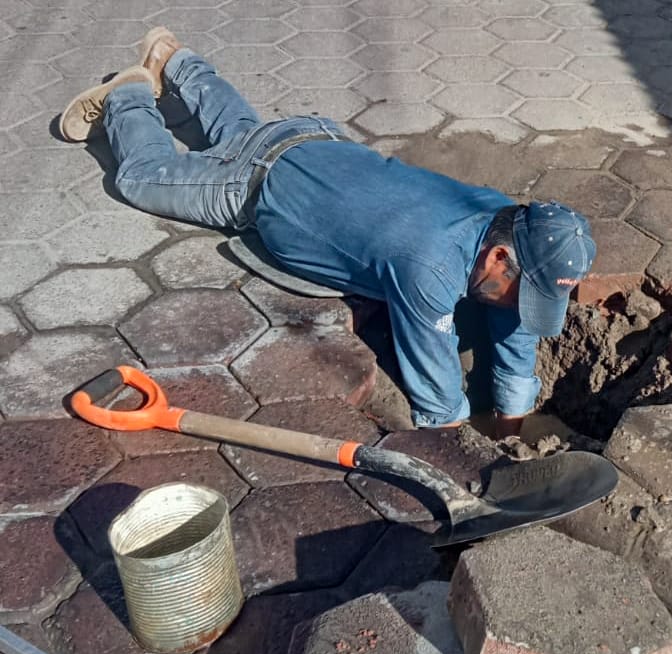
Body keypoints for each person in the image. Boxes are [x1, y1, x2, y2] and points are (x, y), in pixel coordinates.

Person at [59, 27, 596, 437]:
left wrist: (512, 427)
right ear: (501, 258)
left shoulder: (510, 218)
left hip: (316, 139)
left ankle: (175, 58)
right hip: (249, 185)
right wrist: (466, 461)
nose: (516, 309)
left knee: (239, 130)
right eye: (519, 294)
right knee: (137, 178)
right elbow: (438, 399)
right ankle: (127, 97)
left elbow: (518, 334)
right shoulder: (429, 265)